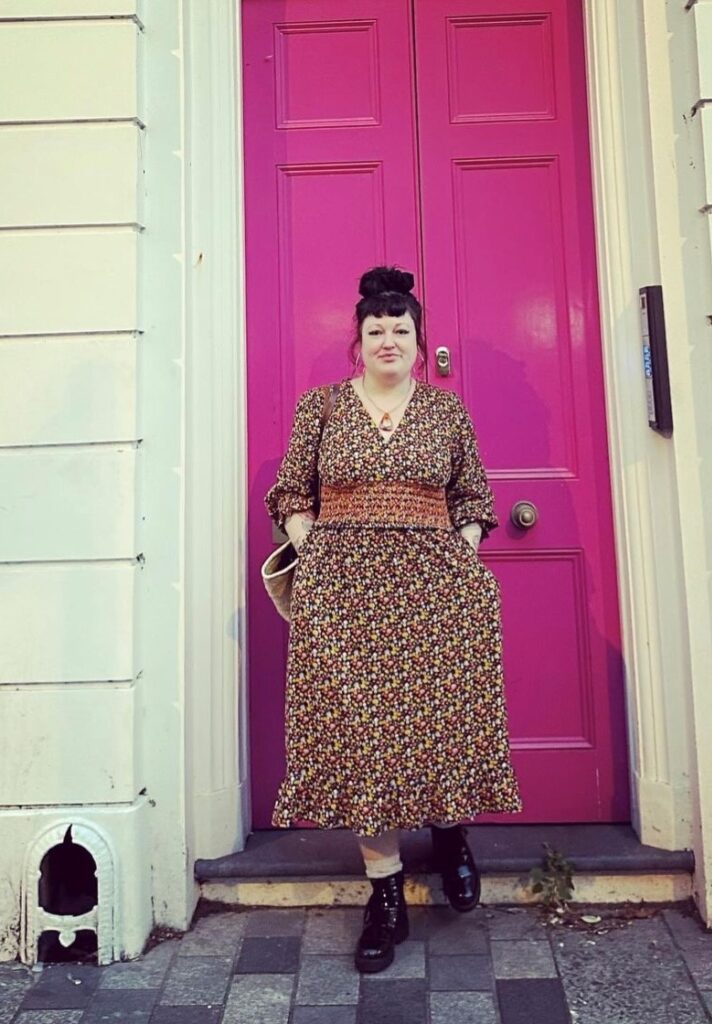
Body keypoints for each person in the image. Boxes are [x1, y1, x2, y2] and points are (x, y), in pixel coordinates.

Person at [264, 266, 522, 974]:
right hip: (344, 599)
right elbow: (290, 490)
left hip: (434, 593)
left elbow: (474, 498)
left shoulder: (446, 412)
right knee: (362, 738)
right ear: (358, 339)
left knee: (433, 722)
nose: (387, 340)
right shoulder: (321, 407)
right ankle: (385, 899)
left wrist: (457, 557)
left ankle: (450, 838)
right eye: (375, 330)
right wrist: (314, 548)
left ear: (418, 341)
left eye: (400, 330)